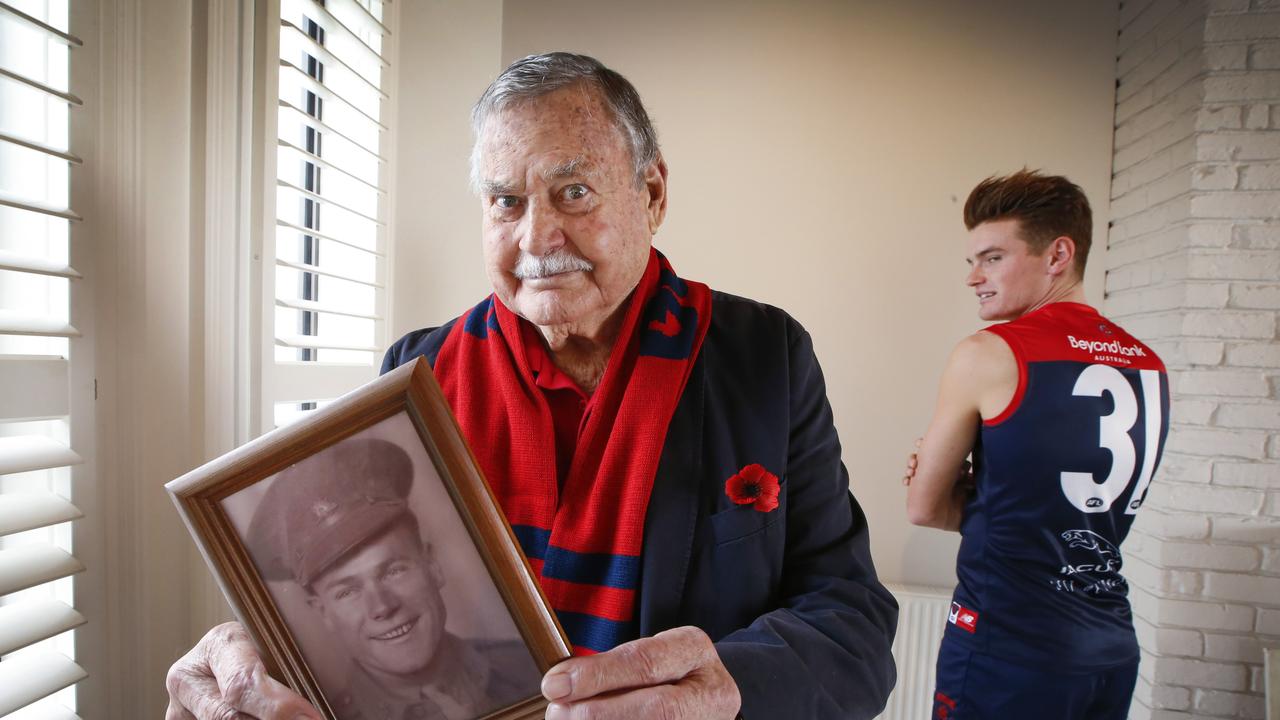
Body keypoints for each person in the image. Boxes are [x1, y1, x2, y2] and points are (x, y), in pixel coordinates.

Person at [166, 52, 897, 720]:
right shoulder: (416, 376)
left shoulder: (762, 356)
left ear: (651, 192)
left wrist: (725, 686)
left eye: (573, 192)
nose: (536, 237)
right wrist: (274, 657)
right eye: (506, 202)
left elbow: (851, 620)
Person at [902, 170, 1169, 719]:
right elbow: (1073, 508)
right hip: (1111, 648)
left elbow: (924, 508)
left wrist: (958, 487)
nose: (974, 277)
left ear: (1057, 255)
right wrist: (992, 491)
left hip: (1010, 646)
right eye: (972, 261)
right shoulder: (1149, 364)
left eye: (993, 257)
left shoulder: (988, 353)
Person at [243, 437, 541, 720]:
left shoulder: (534, 668)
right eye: (347, 592)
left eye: (393, 571)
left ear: (432, 565)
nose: (382, 607)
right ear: (323, 612)